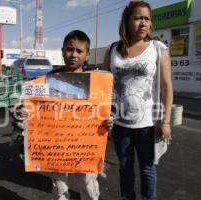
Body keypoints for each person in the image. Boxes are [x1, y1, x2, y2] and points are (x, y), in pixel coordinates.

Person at [14, 30, 113, 200]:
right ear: (62, 51)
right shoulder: (48, 80)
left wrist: (109, 120)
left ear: (87, 55)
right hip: (56, 147)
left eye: (79, 51)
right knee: (60, 191)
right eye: (69, 49)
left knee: (89, 189)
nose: (74, 55)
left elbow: (105, 110)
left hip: (86, 148)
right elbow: (27, 104)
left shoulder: (98, 82)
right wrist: (23, 111)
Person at [103, 1, 173, 200]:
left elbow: (167, 86)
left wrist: (166, 122)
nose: (143, 23)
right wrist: (104, 114)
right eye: (138, 18)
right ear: (127, 21)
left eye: (147, 18)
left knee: (147, 169)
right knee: (125, 167)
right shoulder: (113, 49)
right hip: (119, 123)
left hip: (148, 124)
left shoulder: (159, 49)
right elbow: (104, 85)